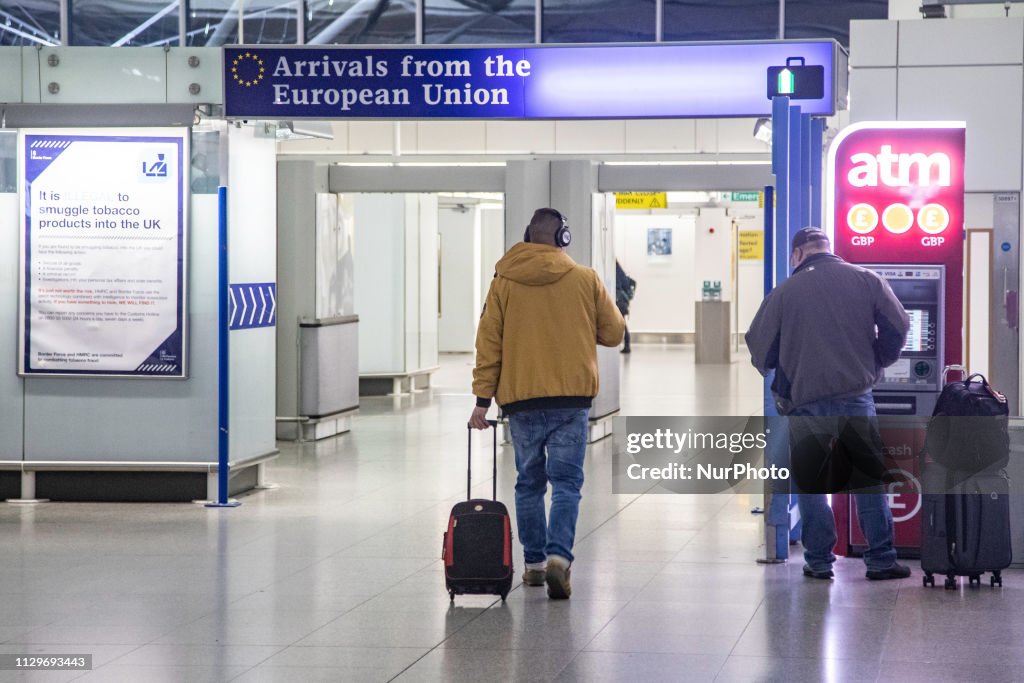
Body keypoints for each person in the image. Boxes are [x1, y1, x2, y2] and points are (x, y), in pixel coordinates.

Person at [469, 207, 624, 599]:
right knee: (567, 483)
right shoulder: (586, 279)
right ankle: (560, 558)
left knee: (529, 484)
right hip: (571, 400)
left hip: (521, 401)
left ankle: (534, 565)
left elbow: (488, 343)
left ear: (527, 237)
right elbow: (614, 332)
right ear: (563, 239)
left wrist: (481, 402)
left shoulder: (503, 282)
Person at [745, 227, 912, 581]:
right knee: (867, 478)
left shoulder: (785, 292)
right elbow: (899, 324)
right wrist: (877, 360)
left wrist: (785, 370)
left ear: (798, 254)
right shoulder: (866, 279)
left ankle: (819, 561)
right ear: (826, 249)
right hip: (856, 394)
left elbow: (759, 346)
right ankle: (880, 560)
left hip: (806, 399)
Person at [615, 260, 636, 353]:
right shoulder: (621, 273)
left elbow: (618, 286)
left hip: (620, 302)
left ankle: (627, 345)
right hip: (623, 302)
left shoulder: (617, 274)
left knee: (622, 324)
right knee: (623, 324)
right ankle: (626, 345)